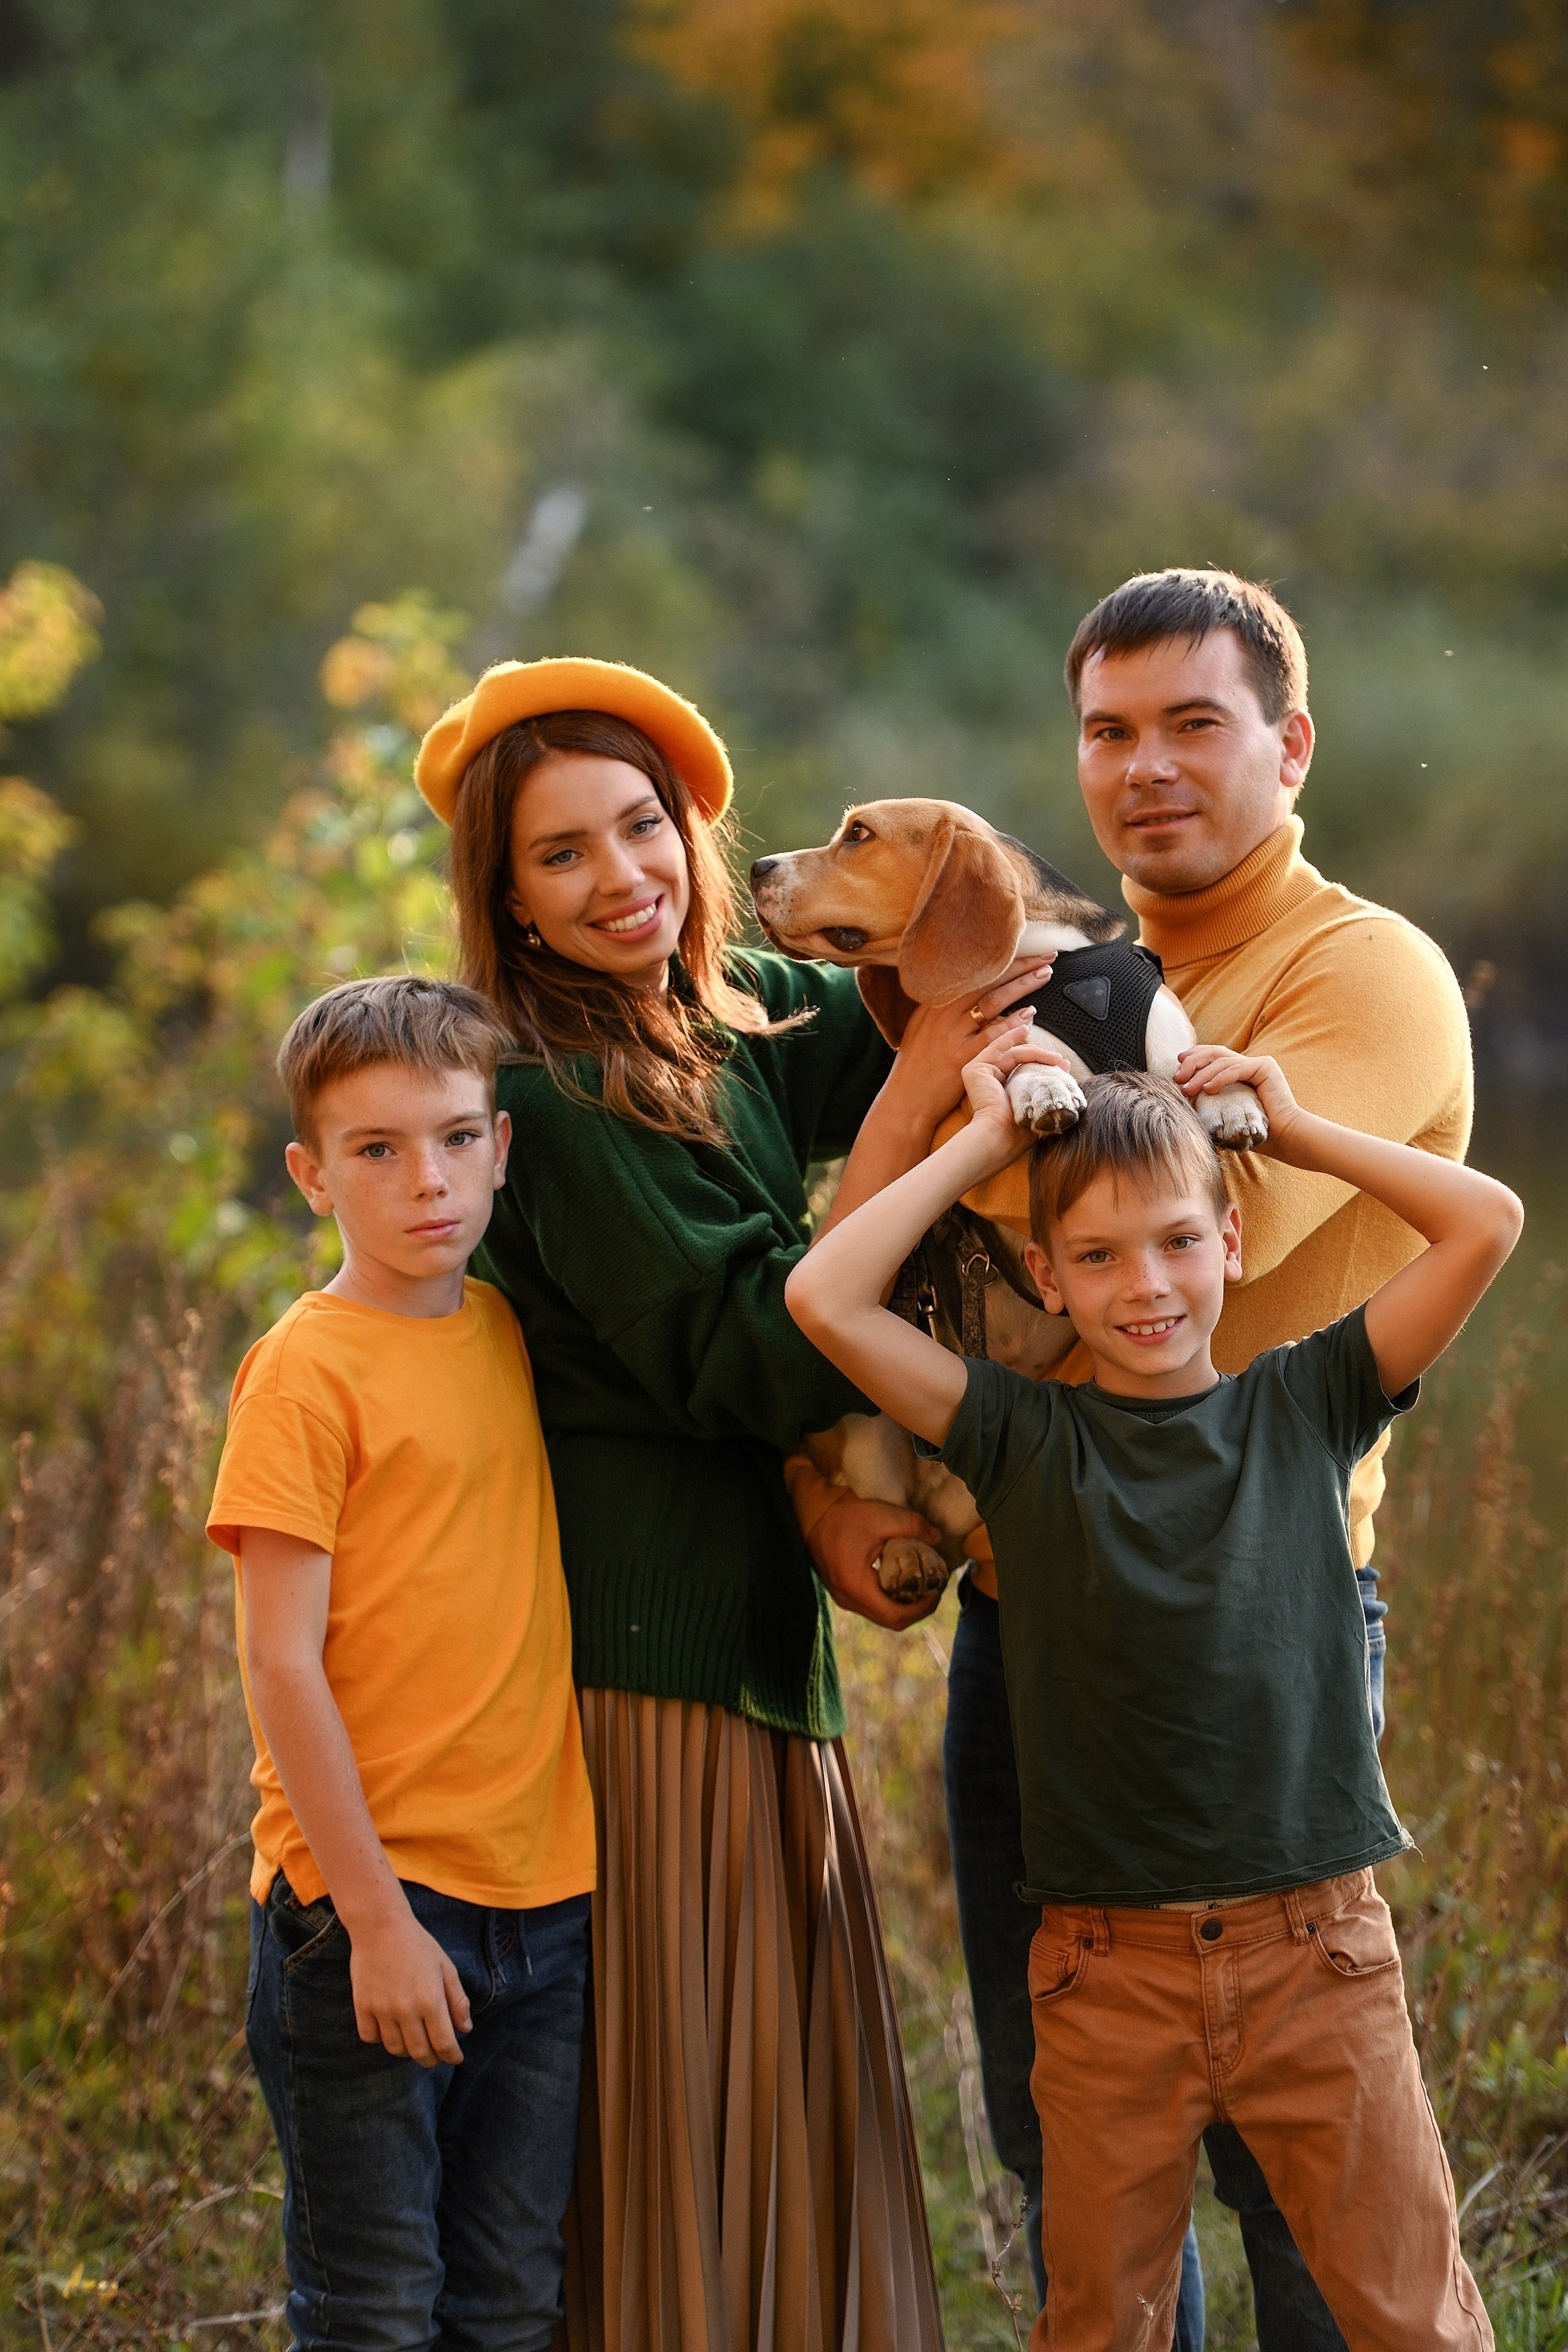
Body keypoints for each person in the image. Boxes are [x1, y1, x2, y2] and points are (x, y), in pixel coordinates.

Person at [412, 655, 1045, 2352]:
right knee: (684, 2106)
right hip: (643, 1662)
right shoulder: (547, 1091)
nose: (623, 879)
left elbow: (933, 978)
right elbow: (760, 1351)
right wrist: (920, 1115)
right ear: (509, 899)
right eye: (563, 856)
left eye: (646, 830)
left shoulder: (721, 1011)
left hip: (760, 1650)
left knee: (771, 2083)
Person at [931, 568, 1474, 2345]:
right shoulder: (1088, 975)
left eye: (1192, 725)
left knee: (1301, 2173)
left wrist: (974, 1086)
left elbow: (1192, 1217)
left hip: (1267, 1623)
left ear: (1288, 743)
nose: (1144, 766)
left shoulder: (1357, 968)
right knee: (1077, 2142)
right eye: (1108, 732)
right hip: (1030, 1625)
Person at [786, 1036, 1519, 2350]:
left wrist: (1290, 1130)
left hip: (1314, 1957)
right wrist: (986, 1140)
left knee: (1410, 2319)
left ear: (1230, 1243)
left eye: (1178, 1242)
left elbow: (1485, 1221)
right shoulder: (1017, 1437)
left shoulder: (1309, 1403)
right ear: (1048, 1275)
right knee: (1099, 2326)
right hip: (1106, 1975)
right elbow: (826, 1299)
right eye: (1100, 1257)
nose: (1145, 1285)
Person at [207, 975, 598, 2351]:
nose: (423, 1180)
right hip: (365, 1914)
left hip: (545, 1908)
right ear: (314, 1177)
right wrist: (376, 1922)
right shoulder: (305, 1371)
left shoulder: (500, 1330)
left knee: (510, 2302)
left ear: (499, 1147)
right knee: (374, 2308)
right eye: (376, 1152)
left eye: (451, 1138)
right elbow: (280, 1664)